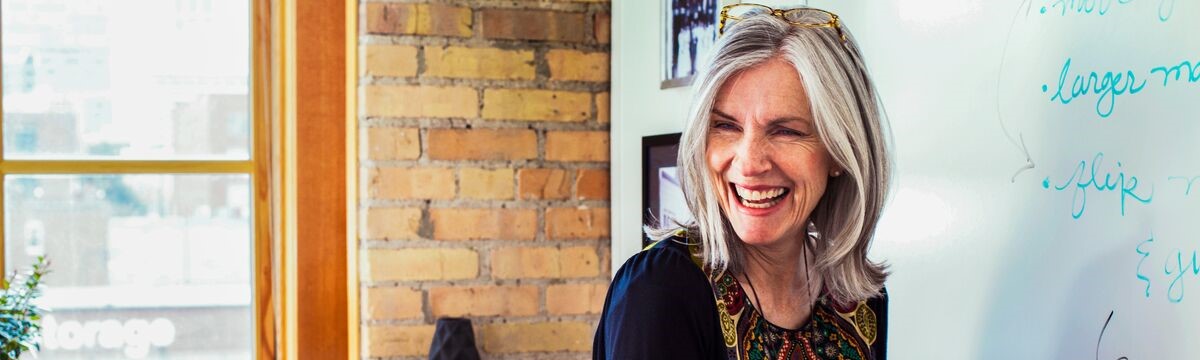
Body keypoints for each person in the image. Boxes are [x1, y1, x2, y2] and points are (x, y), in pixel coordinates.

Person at [594, 4, 892, 360]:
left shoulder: (857, 296)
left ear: (840, 152)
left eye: (786, 131)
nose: (749, 163)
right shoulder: (661, 291)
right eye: (726, 126)